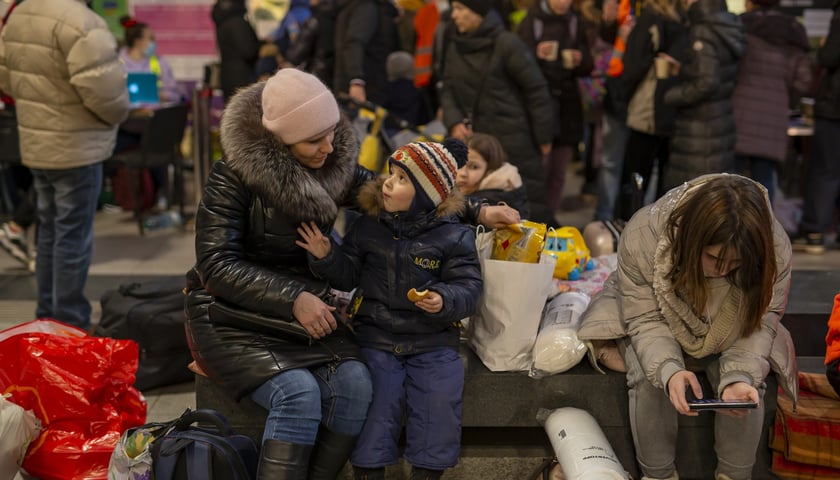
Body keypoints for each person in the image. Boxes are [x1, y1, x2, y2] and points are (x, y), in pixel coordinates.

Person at [184, 68, 519, 479]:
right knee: (299, 395)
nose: (329, 146)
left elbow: (398, 192)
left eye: (331, 132)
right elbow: (216, 266)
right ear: (280, 139)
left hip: (311, 315)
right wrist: (293, 299)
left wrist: (478, 209)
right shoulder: (231, 178)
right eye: (313, 140)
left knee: (357, 385)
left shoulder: (329, 163)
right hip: (237, 316)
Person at [578, 174, 797, 480]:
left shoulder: (774, 247)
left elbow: (761, 320)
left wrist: (740, 376)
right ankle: (659, 476)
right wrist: (669, 371)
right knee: (647, 374)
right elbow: (645, 318)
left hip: (731, 328)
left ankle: (734, 476)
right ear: (693, 240)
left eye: (735, 264)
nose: (721, 270)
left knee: (747, 390)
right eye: (713, 258)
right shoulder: (643, 233)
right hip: (658, 319)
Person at [297, 139, 482, 480]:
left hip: (432, 339)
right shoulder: (368, 226)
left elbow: (469, 287)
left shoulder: (454, 237)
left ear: (427, 194)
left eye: (401, 179)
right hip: (377, 336)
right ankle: (369, 471)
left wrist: (443, 298)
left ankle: (427, 473)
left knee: (439, 399)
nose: (388, 183)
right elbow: (348, 273)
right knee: (376, 400)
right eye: (390, 173)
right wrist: (326, 257)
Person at [0, 0, 130, 329]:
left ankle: (46, 314)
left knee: (48, 232)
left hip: (36, 141)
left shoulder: (20, 15)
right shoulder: (80, 22)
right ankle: (69, 319)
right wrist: (114, 116)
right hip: (77, 144)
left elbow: (7, 79)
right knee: (72, 235)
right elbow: (108, 93)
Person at [440, 0, 555, 225]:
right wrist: (454, 121)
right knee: (480, 209)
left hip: (514, 141)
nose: (454, 15)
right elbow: (447, 87)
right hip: (476, 143)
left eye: (461, 8)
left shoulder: (507, 43)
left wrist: (544, 136)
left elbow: (536, 89)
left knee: (526, 206)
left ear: (478, 11)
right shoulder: (455, 43)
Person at [517, 0, 594, 216]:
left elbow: (589, 64)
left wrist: (581, 60)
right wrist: (535, 53)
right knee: (540, 168)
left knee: (559, 170)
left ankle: (550, 216)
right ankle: (531, 216)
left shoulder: (575, 21)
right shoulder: (531, 21)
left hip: (568, 105)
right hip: (540, 105)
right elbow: (515, 62)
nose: (563, 3)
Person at [732, 0, 811, 205]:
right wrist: (784, 100)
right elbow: (804, 80)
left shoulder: (739, 27)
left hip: (737, 113)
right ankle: (764, 229)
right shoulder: (792, 32)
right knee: (764, 180)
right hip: (774, 117)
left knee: (731, 181)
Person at [660, 0, 744, 191]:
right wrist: (683, 69)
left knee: (691, 198)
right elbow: (717, 72)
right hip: (721, 120)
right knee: (711, 195)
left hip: (698, 129)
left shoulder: (702, 29)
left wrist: (671, 95)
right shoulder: (727, 24)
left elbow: (707, 83)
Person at [790, 0, 840, 255]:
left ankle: (814, 232)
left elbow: (829, 56)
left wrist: (823, 46)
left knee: (825, 171)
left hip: (834, 106)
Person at [456, 132, 529, 216]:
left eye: (474, 167)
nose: (463, 173)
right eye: (459, 164)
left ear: (491, 169)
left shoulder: (490, 202)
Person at [119, 16, 183, 103]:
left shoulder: (160, 62)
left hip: (155, 114)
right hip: (126, 114)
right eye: (151, 39)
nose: (154, 43)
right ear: (138, 41)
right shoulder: (117, 64)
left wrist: (163, 95)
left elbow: (175, 94)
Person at [212, 0, 261, 101]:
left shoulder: (223, 20)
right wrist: (261, 44)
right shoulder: (237, 22)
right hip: (242, 77)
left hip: (227, 75)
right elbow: (248, 50)